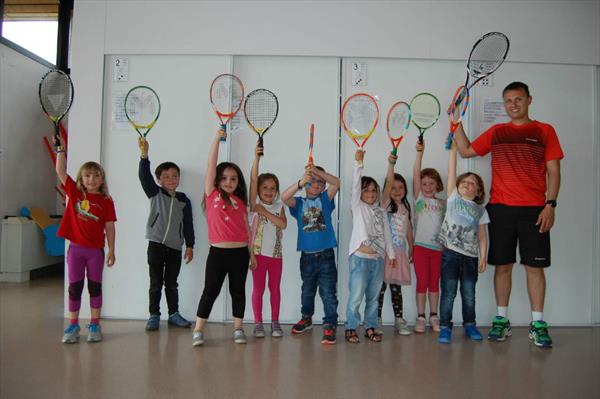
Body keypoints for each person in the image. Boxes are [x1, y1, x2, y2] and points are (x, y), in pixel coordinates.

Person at [452, 81, 563, 348]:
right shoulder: (497, 132)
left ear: (529, 99)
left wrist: (551, 204)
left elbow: (554, 172)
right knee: (502, 266)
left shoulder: (545, 131)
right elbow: (467, 150)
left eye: (518, 99)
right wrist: (454, 122)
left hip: (535, 210)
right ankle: (501, 320)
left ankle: (538, 323)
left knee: (535, 268)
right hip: (500, 209)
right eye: (509, 101)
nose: (513, 105)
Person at [192, 129, 256, 346]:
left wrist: (251, 253)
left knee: (238, 292)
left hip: (240, 253)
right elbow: (211, 165)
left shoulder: (242, 202)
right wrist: (216, 140)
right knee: (210, 290)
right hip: (218, 253)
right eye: (225, 178)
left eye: (234, 178)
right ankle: (199, 329)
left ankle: (238, 328)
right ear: (217, 180)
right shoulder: (212, 195)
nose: (229, 182)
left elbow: (247, 230)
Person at [54, 137, 116, 344]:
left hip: (95, 252)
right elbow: (61, 172)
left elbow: (109, 227)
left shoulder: (106, 201)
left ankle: (95, 324)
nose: (91, 179)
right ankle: (72, 325)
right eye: (87, 176)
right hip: (76, 251)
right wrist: (60, 150)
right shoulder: (75, 193)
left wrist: (111, 250)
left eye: (96, 176)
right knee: (74, 287)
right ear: (81, 179)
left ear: (102, 179)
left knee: (95, 288)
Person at [138, 138, 195, 331]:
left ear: (179, 178)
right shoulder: (155, 193)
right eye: (167, 176)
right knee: (156, 282)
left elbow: (188, 225)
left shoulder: (184, 200)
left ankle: (174, 314)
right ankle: (154, 315)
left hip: (175, 248)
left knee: (172, 283)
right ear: (159, 180)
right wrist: (144, 156)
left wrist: (190, 246)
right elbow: (144, 177)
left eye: (174, 176)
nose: (171, 179)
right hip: (155, 245)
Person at [282, 159, 340, 345]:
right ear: (305, 182)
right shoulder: (298, 204)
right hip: (306, 257)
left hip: (326, 256)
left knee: (328, 293)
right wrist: (300, 182)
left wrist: (316, 171)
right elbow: (284, 197)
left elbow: (337, 183)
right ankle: (306, 318)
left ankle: (330, 323)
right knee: (307, 291)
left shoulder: (325, 200)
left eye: (320, 182)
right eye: (312, 180)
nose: (316, 184)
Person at [437, 142, 489, 344]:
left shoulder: (480, 209)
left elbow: (483, 236)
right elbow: (452, 171)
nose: (467, 184)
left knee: (469, 294)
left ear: (478, 191)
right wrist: (453, 151)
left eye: (473, 182)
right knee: (448, 293)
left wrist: (483, 257)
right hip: (450, 254)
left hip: (470, 258)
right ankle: (445, 327)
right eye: (464, 182)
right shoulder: (452, 199)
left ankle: (470, 324)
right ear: (458, 187)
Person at [345, 149, 395, 343]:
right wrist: (358, 163)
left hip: (377, 261)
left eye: (374, 190)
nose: (371, 193)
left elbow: (387, 234)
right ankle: (351, 327)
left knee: (373, 299)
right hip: (359, 259)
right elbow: (355, 185)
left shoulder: (381, 211)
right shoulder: (357, 207)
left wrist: (390, 254)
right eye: (367, 190)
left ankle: (370, 326)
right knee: (356, 297)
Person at [249, 145, 287, 338]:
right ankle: (257, 322)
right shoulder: (254, 204)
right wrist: (257, 159)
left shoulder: (280, 206)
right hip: (257, 255)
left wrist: (266, 213)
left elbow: (283, 224)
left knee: (275, 289)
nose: (269, 191)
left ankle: (275, 322)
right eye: (264, 187)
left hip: (275, 256)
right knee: (258, 289)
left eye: (273, 188)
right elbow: (253, 179)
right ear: (258, 190)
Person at [377, 153, 414, 336]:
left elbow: (408, 230)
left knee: (396, 289)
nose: (397, 190)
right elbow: (389, 183)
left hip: (399, 255)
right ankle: (375, 320)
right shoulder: (385, 205)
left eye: (401, 187)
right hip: (385, 254)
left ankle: (399, 320)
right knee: (380, 288)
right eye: (394, 187)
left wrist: (412, 248)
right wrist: (391, 164)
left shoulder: (405, 208)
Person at [412, 141, 446, 333]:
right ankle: (420, 317)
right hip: (420, 248)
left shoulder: (443, 203)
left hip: (438, 250)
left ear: (438, 185)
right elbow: (416, 173)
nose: (427, 186)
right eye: (424, 183)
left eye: (431, 183)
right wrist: (419, 153)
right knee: (422, 282)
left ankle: (434, 315)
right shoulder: (419, 200)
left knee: (434, 283)